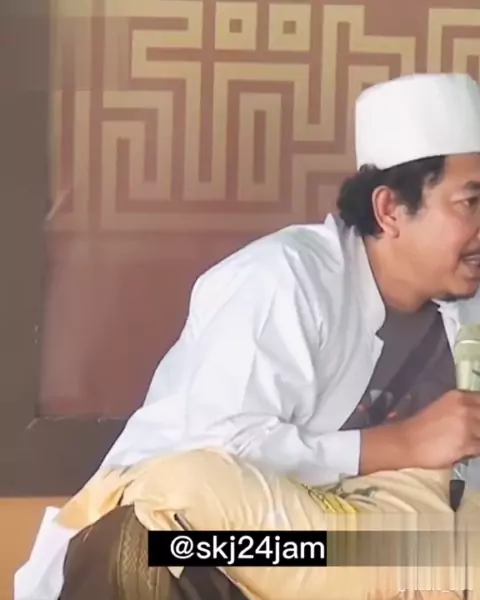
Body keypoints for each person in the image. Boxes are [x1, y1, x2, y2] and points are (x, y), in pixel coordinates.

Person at [15, 72, 480, 599]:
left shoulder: (468, 312)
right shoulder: (283, 280)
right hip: (205, 546)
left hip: (355, 550)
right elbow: (225, 449)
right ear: (390, 209)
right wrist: (404, 443)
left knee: (431, 548)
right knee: (185, 507)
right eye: (470, 202)